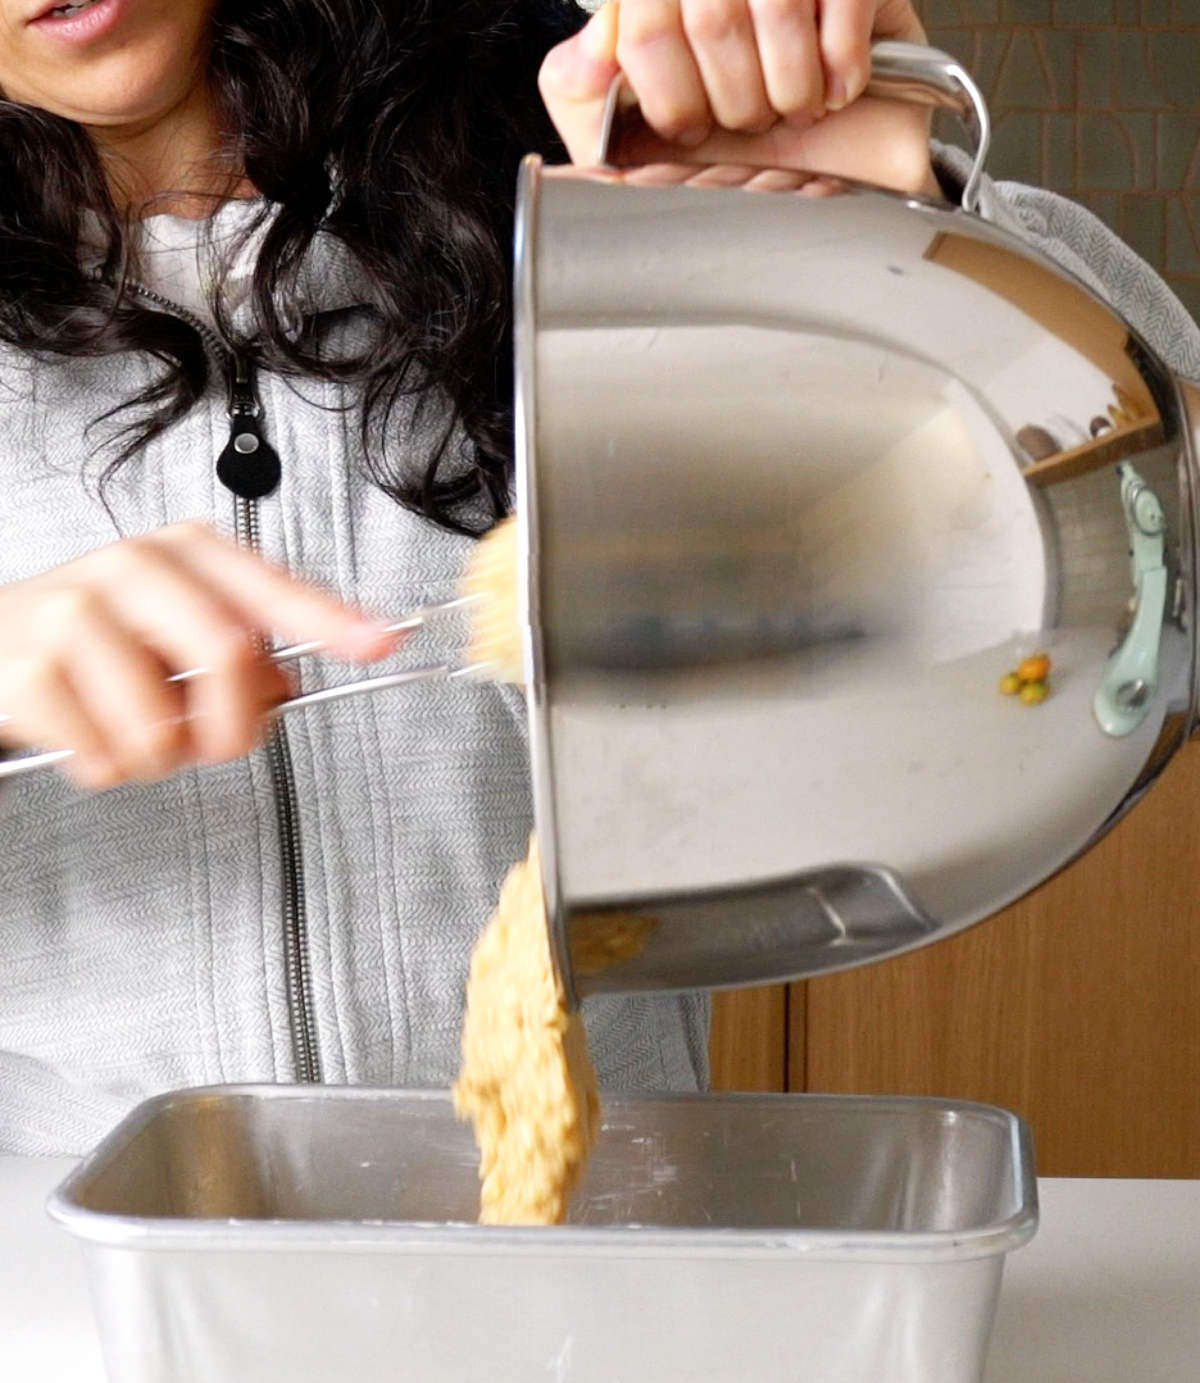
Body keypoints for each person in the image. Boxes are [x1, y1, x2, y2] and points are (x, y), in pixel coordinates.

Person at [0, 0, 1195, 1155]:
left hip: (598, 1213)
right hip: (70, 1277)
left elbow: (1155, 508)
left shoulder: (573, 135)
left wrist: (905, 223)